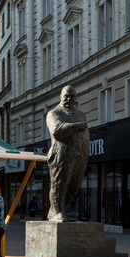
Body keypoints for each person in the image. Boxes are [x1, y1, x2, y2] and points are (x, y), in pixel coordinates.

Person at [46, 85, 89, 222]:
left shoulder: (81, 115)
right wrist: (75, 127)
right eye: (66, 96)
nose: (69, 99)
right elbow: (56, 131)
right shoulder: (54, 113)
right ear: (61, 97)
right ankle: (57, 212)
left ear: (76, 97)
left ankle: (59, 210)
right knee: (59, 185)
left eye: (72, 96)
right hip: (61, 155)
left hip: (79, 155)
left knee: (74, 186)